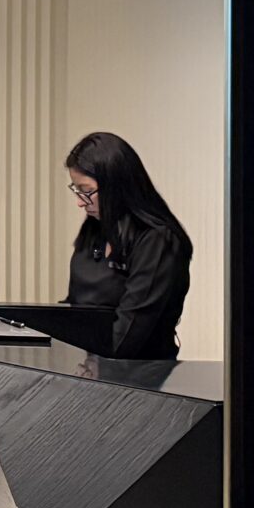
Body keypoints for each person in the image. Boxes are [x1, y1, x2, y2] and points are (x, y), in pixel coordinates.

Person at [64, 130, 191, 358]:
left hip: (138, 379)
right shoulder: (94, 229)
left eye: (86, 191)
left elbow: (127, 337)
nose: (79, 203)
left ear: (116, 185)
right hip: (89, 367)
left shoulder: (158, 240)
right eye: (76, 190)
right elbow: (75, 307)